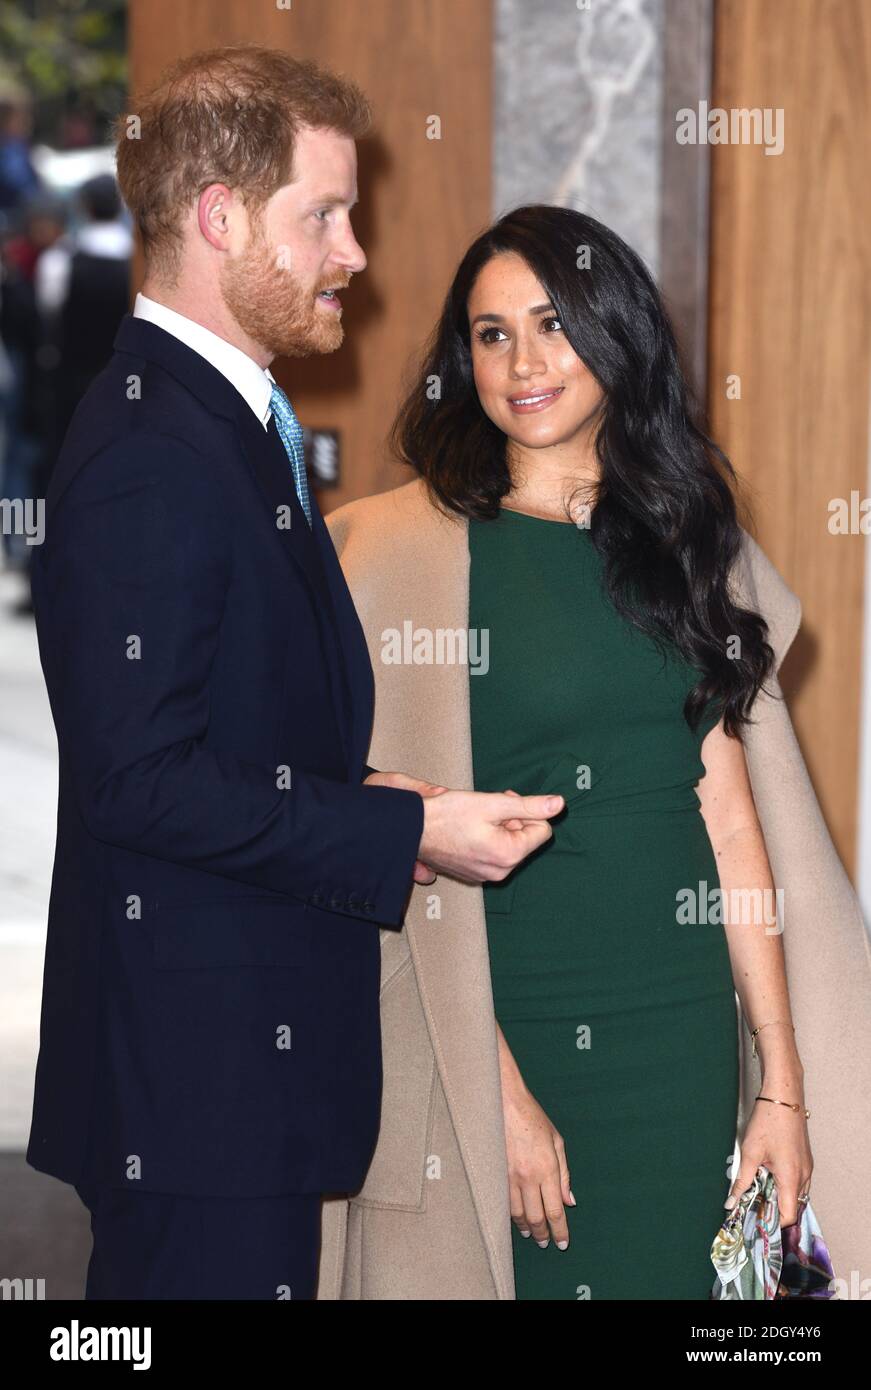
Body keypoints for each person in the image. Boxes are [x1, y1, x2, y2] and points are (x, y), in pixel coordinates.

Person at [25, 47, 562, 1301]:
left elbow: (215, 730)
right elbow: (140, 782)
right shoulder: (155, 451)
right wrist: (400, 825)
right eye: (322, 214)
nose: (355, 254)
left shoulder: (218, 420)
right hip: (194, 1096)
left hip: (223, 1089)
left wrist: (387, 802)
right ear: (217, 218)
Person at [320, 205, 871, 1299]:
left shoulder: (684, 541)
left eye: (553, 324)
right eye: (489, 334)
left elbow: (728, 823)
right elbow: (378, 840)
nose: (522, 362)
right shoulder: (393, 552)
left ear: (615, 336)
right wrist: (498, 1091)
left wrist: (778, 1083)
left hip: (675, 1040)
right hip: (495, 1026)